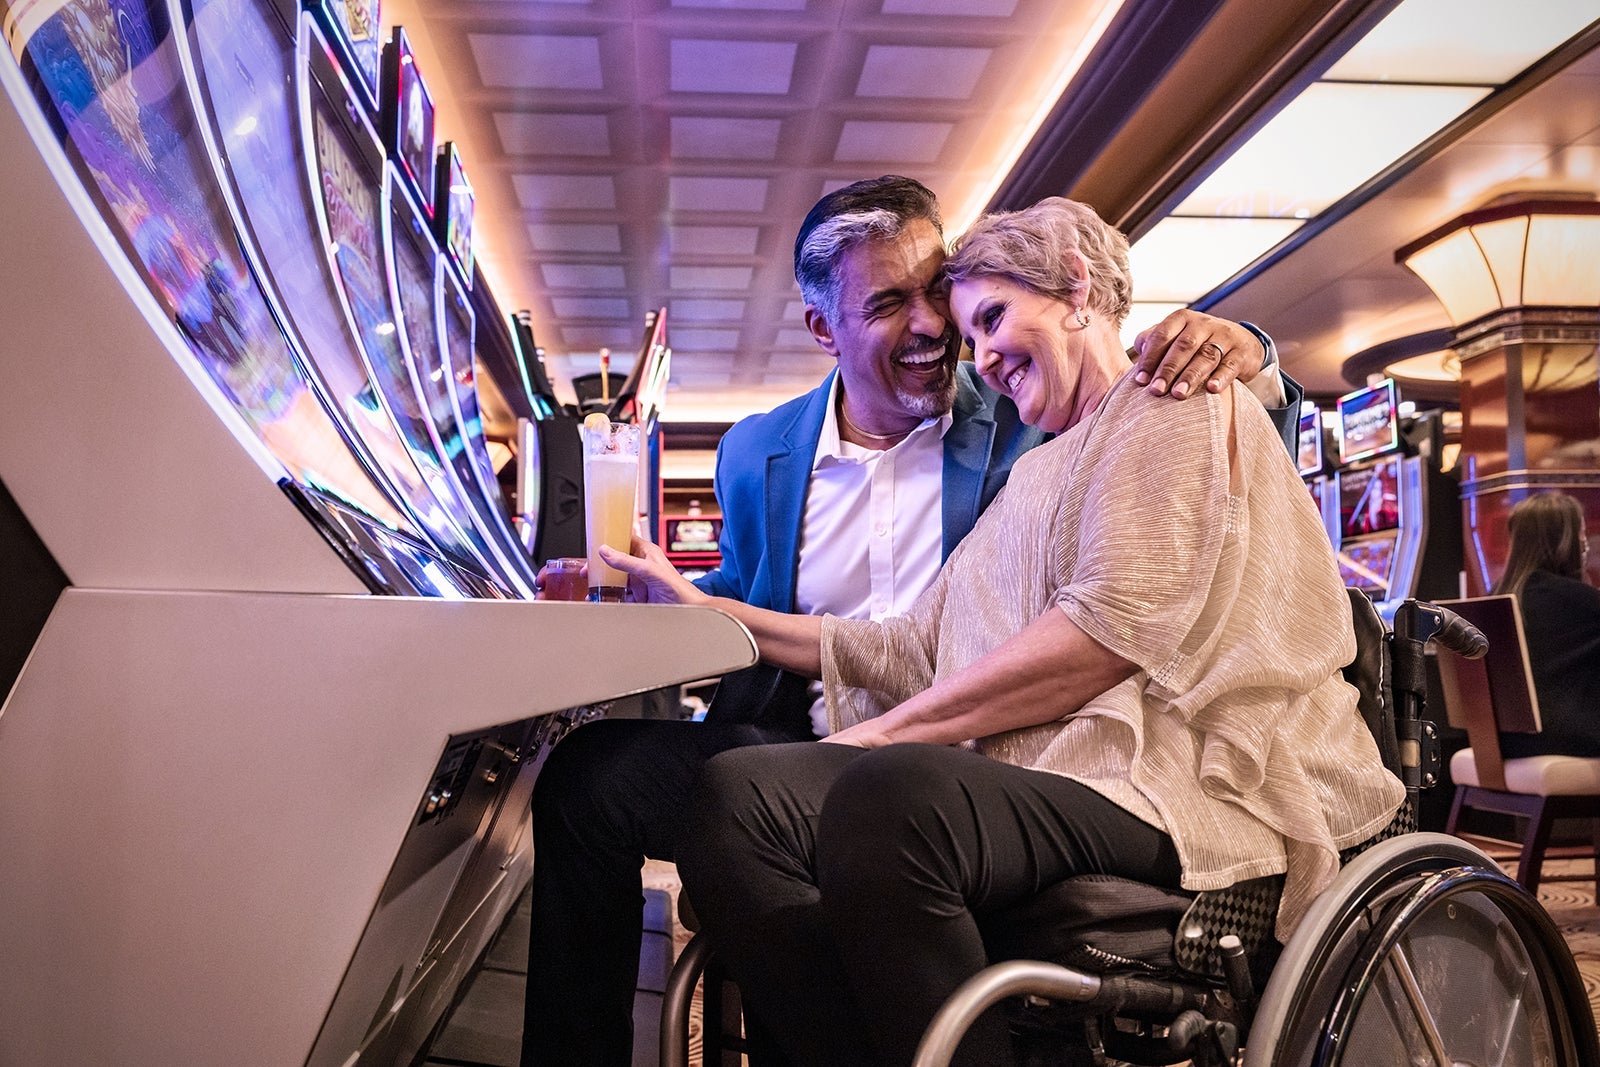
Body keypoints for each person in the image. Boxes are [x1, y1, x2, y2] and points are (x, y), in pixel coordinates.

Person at [604, 197, 1402, 1066]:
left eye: (990, 318)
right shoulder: (1034, 471)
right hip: (1053, 779)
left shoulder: (1171, 400)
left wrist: (875, 737)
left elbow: (1109, 630)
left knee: (893, 793)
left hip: (1169, 783)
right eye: (972, 333)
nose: (978, 355)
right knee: (736, 798)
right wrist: (704, 608)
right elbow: (907, 646)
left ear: (1077, 288)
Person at [1491, 493, 1600, 759]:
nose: (1585, 543)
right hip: (1566, 740)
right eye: (1581, 533)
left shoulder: (1494, 599)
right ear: (1566, 541)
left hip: (1503, 743)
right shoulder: (1580, 602)